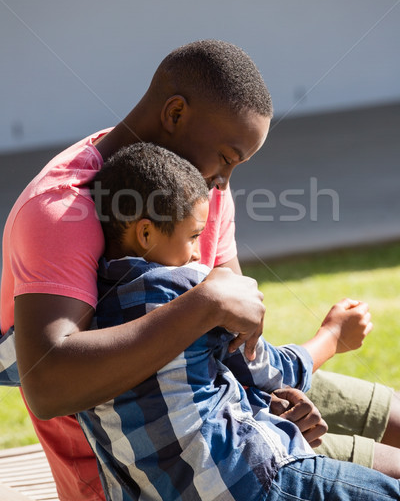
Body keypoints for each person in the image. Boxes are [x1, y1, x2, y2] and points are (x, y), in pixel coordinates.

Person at [0, 40, 399, 500]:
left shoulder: (197, 188)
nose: (226, 182)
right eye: (227, 158)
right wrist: (207, 302)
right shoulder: (61, 209)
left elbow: (238, 342)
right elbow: (48, 384)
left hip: (233, 419)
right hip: (156, 470)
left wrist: (271, 401)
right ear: (175, 114)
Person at [77, 142, 400, 500]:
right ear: (147, 233)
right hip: (255, 477)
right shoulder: (193, 291)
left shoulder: (89, 312)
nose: (199, 253)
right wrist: (333, 335)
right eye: (194, 236)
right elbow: (267, 369)